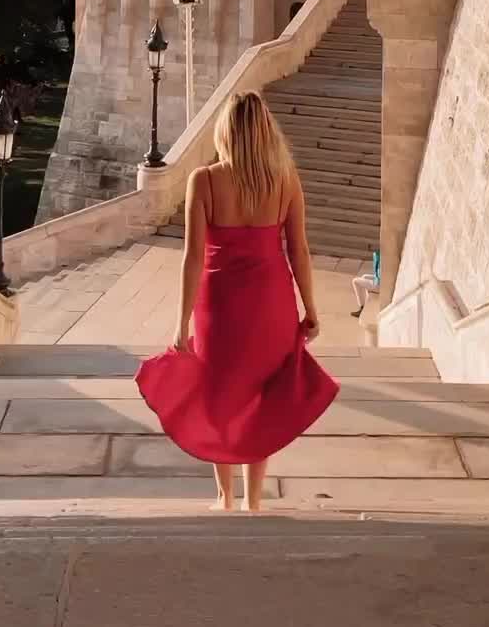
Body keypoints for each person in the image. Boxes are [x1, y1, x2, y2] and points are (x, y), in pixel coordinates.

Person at [136, 91, 339, 513]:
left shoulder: (205, 180)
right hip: (272, 304)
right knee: (259, 397)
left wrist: (181, 324)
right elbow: (298, 250)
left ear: (226, 131)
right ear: (266, 131)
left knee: (218, 394)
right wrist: (311, 309)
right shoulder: (285, 179)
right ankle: (253, 502)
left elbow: (192, 257)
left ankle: (224, 497)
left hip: (219, 305)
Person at [351, 248, 381, 317]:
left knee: (355, 281)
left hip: (379, 285)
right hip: (380, 282)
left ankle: (362, 307)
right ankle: (366, 306)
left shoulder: (382, 260)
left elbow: (379, 276)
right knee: (364, 276)